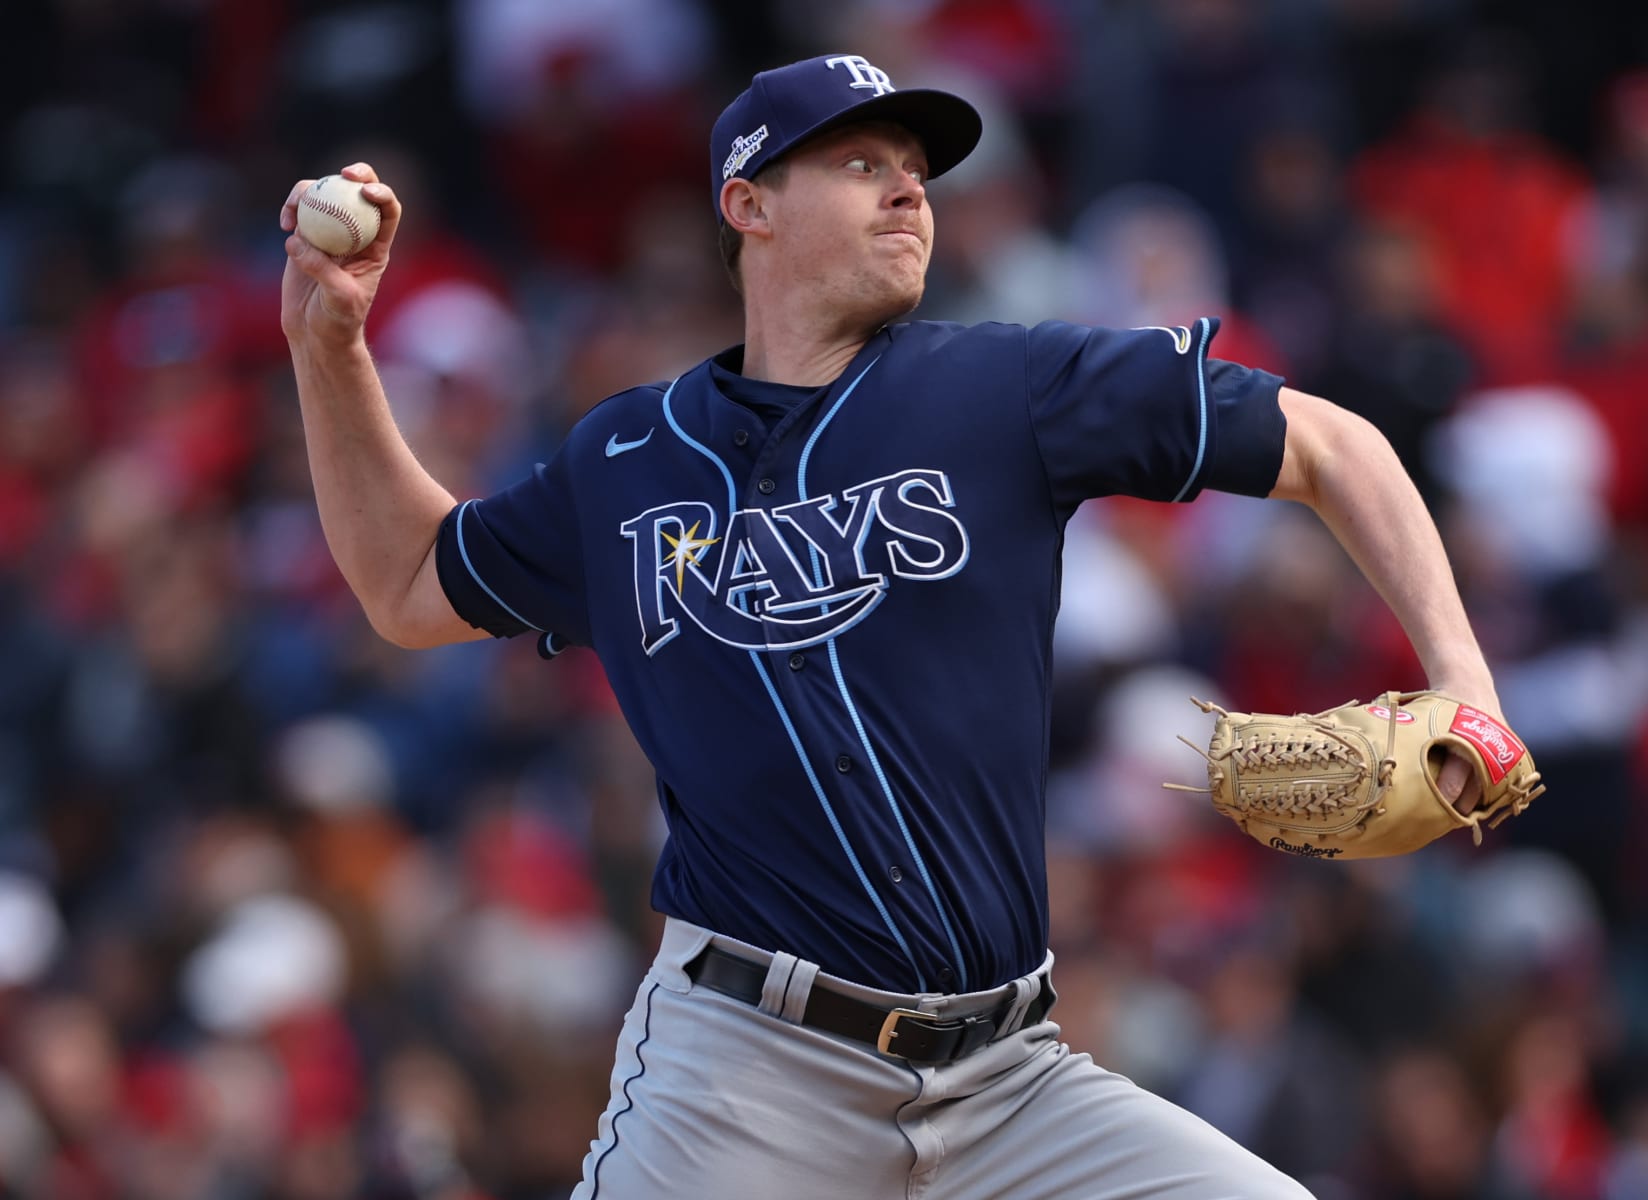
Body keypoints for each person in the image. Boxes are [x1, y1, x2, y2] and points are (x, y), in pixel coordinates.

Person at [280, 52, 1503, 1200]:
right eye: (862, 162)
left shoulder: (1006, 388)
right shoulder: (626, 459)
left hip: (1011, 1074)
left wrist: (1464, 683)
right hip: (745, 1076)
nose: (910, 188)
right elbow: (407, 585)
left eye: (917, 168)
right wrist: (327, 342)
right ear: (749, 204)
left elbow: (1337, 444)